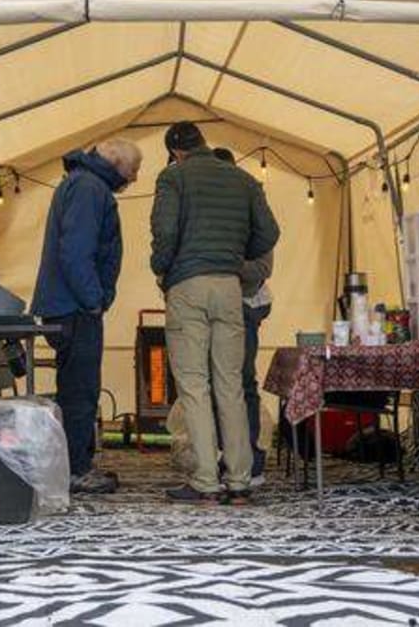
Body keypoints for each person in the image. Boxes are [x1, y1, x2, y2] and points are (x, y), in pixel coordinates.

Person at [151, 123, 279, 504]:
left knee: (194, 385)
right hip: (229, 287)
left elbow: (165, 232)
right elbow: (269, 234)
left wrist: (163, 269)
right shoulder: (243, 179)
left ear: (175, 151)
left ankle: (206, 480)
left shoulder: (173, 178)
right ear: (203, 144)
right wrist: (234, 255)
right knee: (232, 385)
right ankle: (240, 479)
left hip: (188, 285)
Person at [32, 138, 142, 495]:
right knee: (81, 391)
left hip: (66, 304)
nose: (135, 178)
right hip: (75, 306)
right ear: (115, 161)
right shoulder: (89, 188)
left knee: (76, 389)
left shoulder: (80, 182)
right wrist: (94, 299)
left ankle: (75, 464)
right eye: (133, 169)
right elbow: (76, 251)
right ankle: (76, 470)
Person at [213, 147, 273, 483]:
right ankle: (224, 456)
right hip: (219, 307)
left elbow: (262, 269)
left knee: (242, 382)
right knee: (215, 384)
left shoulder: (253, 207)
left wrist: (217, 265)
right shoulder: (205, 214)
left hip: (246, 307)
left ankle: (249, 458)